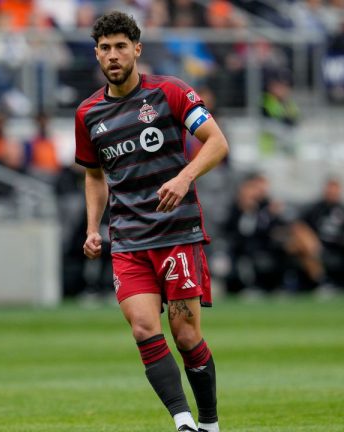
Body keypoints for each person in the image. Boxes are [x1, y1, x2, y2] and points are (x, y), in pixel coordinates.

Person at [74, 11, 228, 432]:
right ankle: (183, 423)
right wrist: (93, 227)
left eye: (121, 46)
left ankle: (210, 424)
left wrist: (184, 176)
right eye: (105, 48)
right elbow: (93, 174)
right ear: (97, 54)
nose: (113, 55)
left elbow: (217, 143)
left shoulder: (171, 92)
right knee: (144, 328)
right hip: (128, 241)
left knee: (186, 337)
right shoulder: (88, 113)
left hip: (177, 235)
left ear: (137, 49)